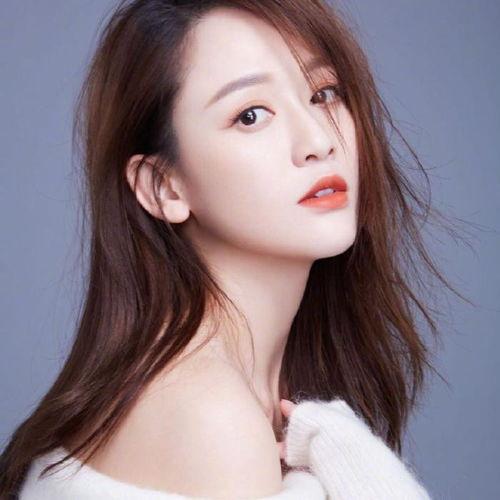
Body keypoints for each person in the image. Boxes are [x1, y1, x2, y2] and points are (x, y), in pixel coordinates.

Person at [1, 0, 465, 498]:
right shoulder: (208, 415)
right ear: (164, 186)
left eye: (323, 93)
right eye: (250, 115)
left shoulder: (255, 389)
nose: (317, 140)